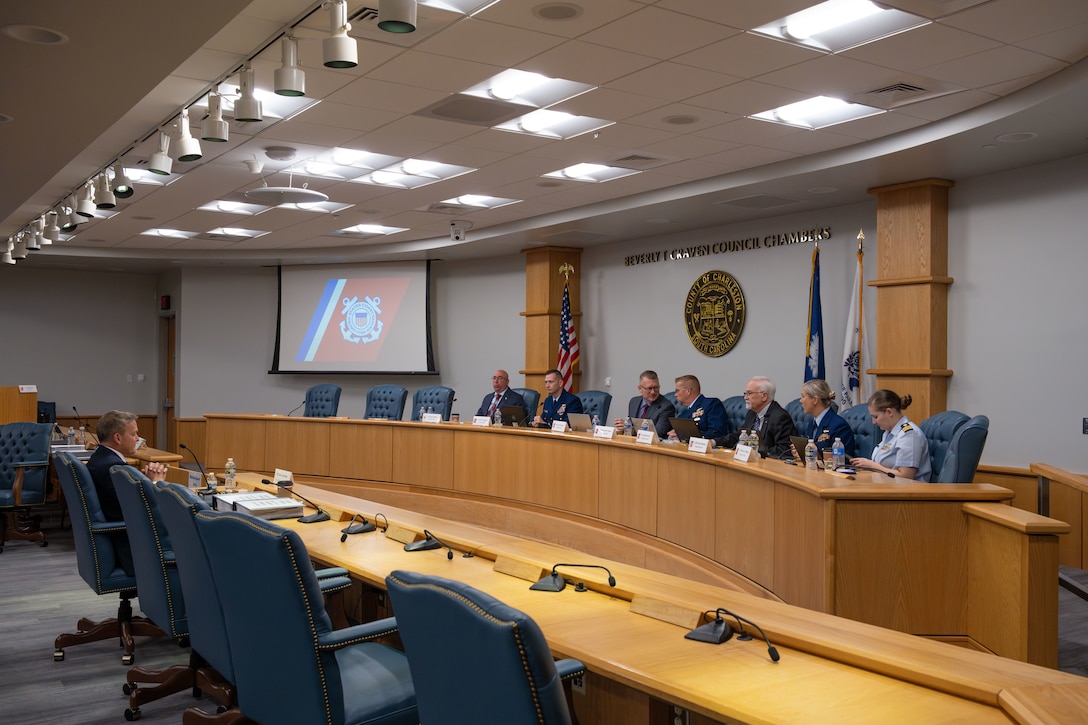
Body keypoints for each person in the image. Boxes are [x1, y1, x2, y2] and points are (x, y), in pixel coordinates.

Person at [86, 410, 168, 576]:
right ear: (117, 438)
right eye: (134, 434)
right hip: (131, 548)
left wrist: (142, 481)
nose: (138, 439)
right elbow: (147, 512)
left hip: (120, 538)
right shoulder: (115, 469)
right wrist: (156, 482)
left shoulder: (98, 459)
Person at [850, 389, 931, 481]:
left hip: (905, 492)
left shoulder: (909, 435)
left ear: (889, 412)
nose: (873, 422)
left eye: (876, 417)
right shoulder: (889, 433)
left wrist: (872, 465)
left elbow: (906, 477)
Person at [720, 376, 796, 459]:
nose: (745, 397)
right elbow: (739, 436)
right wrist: (713, 442)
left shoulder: (780, 417)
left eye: (749, 393)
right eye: (745, 393)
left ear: (764, 396)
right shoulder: (752, 413)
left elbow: (784, 449)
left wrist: (756, 452)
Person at [796, 379, 854, 459]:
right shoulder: (812, 423)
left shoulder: (839, 426)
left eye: (803, 396)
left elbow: (843, 459)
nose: (801, 401)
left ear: (815, 400)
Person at [614, 370, 675, 438]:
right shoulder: (634, 402)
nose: (653, 392)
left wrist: (629, 428)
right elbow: (630, 425)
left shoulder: (666, 407)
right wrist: (623, 427)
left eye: (656, 388)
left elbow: (658, 432)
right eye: (649, 388)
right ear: (640, 388)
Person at [667, 375, 726, 441]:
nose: (675, 395)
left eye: (677, 391)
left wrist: (685, 436)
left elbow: (717, 433)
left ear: (688, 391)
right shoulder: (683, 414)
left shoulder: (711, 404)